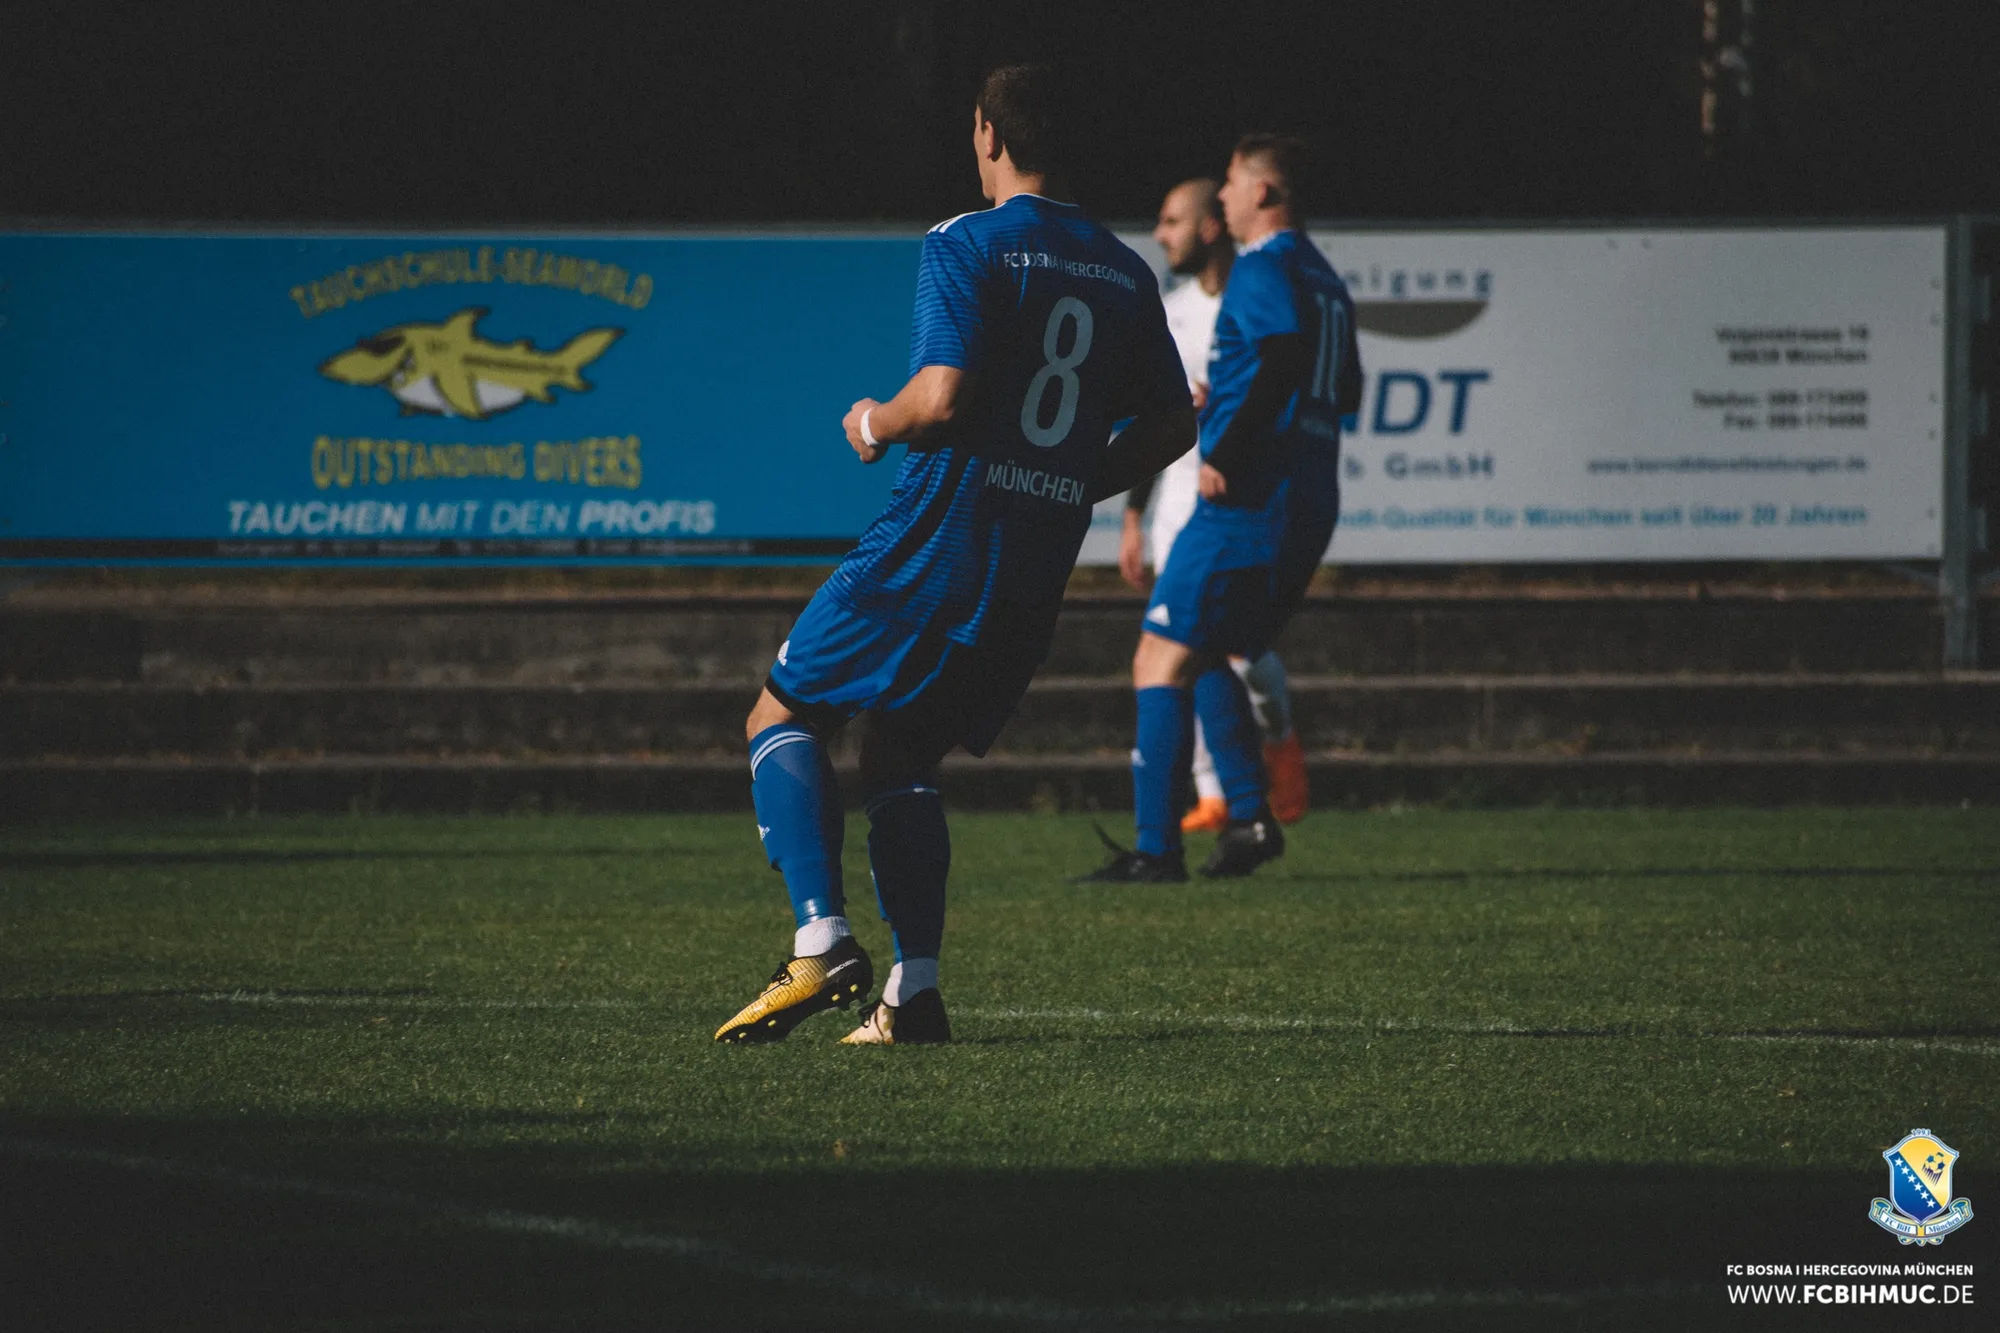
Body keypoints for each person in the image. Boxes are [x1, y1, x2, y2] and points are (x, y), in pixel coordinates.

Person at [716, 65, 1196, 1046]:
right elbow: (1173, 425)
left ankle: (819, 942)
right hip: (1033, 563)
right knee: (899, 752)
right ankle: (914, 994)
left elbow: (938, 399)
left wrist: (872, 421)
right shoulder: (1123, 269)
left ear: (987, 135)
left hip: (934, 540)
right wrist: (1071, 481)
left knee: (782, 711)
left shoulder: (967, 240)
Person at [1081, 134, 1358, 883]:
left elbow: (1283, 357)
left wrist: (1227, 451)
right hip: (1310, 493)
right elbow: (1346, 386)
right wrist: (1233, 404)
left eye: (1232, 183)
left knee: (1157, 655)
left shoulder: (1264, 264)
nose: (1226, 195)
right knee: (1206, 649)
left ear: (1262, 192)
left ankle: (1155, 849)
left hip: (1249, 496)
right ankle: (1250, 819)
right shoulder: (1324, 276)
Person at [1118, 178, 1311, 836]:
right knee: (1189, 653)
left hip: (1239, 502)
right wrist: (1135, 516)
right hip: (1180, 505)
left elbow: (1284, 382)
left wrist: (1227, 423)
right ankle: (1220, 798)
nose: (1159, 235)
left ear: (1208, 228)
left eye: (1172, 221)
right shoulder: (1170, 313)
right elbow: (1156, 419)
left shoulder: (1256, 295)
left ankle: (1276, 741)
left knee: (1235, 653)